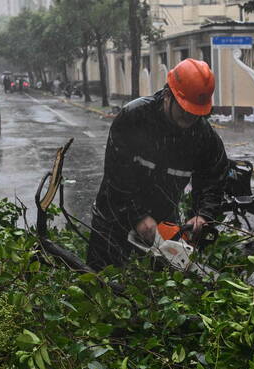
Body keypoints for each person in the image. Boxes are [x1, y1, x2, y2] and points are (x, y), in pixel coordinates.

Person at [86, 58, 230, 270]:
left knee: (157, 292)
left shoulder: (203, 137)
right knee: (102, 283)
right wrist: (138, 215)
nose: (190, 118)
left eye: (196, 113)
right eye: (184, 111)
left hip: (164, 226)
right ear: (167, 96)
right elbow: (117, 177)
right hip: (113, 219)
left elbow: (213, 180)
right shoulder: (133, 118)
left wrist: (203, 215)